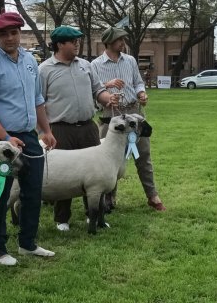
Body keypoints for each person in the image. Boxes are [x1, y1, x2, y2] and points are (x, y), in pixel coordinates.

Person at [0, 12, 56, 266]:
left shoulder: (30, 60)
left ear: (21, 33)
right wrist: (7, 138)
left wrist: (47, 131)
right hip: (1, 142)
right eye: (3, 34)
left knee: (33, 192)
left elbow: (37, 100)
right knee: (0, 194)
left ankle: (27, 244)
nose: (10, 38)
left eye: (14, 32)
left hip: (29, 137)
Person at [39, 25, 119, 232]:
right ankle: (62, 218)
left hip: (87, 127)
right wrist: (43, 131)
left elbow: (98, 90)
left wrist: (107, 98)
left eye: (77, 41)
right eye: (72, 41)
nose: (77, 44)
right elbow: (37, 102)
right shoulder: (44, 70)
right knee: (63, 174)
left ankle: (94, 214)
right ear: (59, 44)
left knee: (97, 173)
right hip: (60, 129)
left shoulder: (85, 65)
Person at [91, 27, 166, 211]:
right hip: (110, 115)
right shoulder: (95, 65)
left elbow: (138, 81)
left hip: (134, 113)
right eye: (119, 40)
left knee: (144, 156)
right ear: (108, 43)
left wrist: (141, 93)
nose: (123, 43)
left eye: (123, 40)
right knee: (108, 159)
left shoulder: (130, 60)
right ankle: (109, 198)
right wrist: (107, 86)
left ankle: (152, 196)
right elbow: (93, 90)